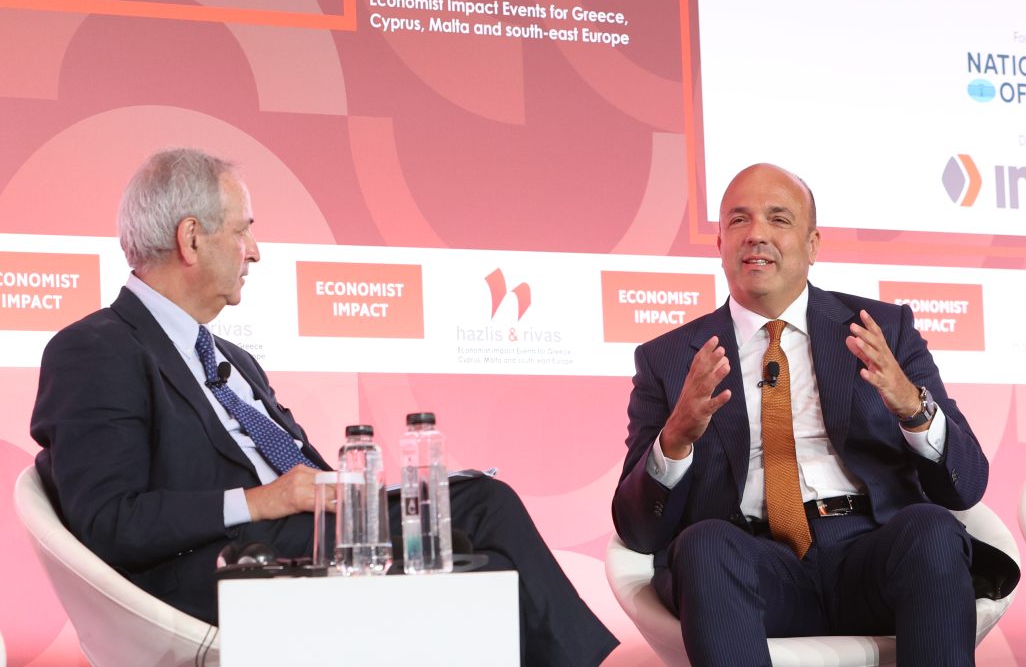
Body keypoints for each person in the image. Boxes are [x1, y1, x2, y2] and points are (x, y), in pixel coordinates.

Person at [31, 148, 618, 666]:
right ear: (191, 239)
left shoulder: (234, 358)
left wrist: (347, 494)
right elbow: (109, 521)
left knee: (482, 535)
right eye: (242, 232)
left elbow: (303, 475)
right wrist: (264, 499)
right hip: (223, 570)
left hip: (312, 541)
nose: (255, 252)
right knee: (484, 539)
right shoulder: (97, 350)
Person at [612, 163, 1018, 666]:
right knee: (704, 545)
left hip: (872, 553)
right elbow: (639, 530)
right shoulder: (669, 358)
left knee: (932, 529)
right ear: (719, 244)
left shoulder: (881, 329)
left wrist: (912, 407)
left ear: (812, 245)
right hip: (754, 564)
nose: (756, 234)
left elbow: (966, 484)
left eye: (778, 218)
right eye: (738, 220)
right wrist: (675, 440)